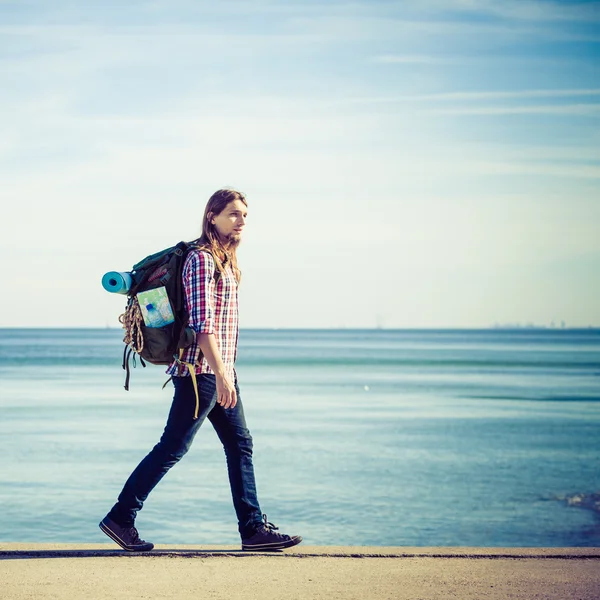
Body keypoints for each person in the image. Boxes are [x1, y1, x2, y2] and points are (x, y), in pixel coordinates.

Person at [99, 188, 302, 552]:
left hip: (218, 369)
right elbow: (203, 323)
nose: (241, 222)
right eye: (233, 215)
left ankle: (253, 529)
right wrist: (223, 374)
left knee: (239, 444)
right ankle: (120, 517)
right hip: (200, 371)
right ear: (213, 217)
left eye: (244, 216)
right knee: (173, 447)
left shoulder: (225, 260)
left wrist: (227, 371)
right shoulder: (202, 259)